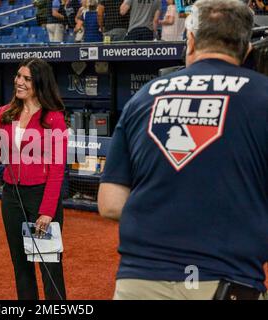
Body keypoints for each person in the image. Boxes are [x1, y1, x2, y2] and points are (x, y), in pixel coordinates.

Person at [98, 0, 268, 300]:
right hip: (226, 280)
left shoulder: (143, 97)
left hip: (140, 281)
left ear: (189, 41)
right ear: (247, 50)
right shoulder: (262, 95)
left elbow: (110, 203)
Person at [0, 58, 68, 300]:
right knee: (21, 265)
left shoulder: (54, 118)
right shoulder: (4, 113)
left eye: (26, 78)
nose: (19, 82)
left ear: (39, 83)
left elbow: (57, 168)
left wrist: (47, 211)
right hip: (11, 197)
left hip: (42, 197)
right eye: (18, 76)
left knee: (50, 266)